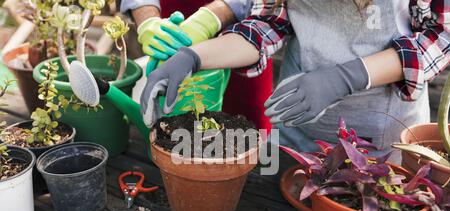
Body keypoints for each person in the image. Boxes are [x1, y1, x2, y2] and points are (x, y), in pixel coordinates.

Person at [140, 0, 450, 162]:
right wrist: (194, 56)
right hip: (298, 132)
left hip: (380, 140)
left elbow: (442, 36)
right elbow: (265, 23)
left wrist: (349, 76)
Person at [120, 0, 273, 130]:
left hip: (243, 41)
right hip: (172, 29)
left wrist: (210, 18)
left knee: (248, 136)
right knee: (172, 130)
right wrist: (148, 20)